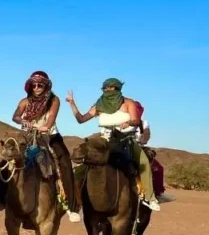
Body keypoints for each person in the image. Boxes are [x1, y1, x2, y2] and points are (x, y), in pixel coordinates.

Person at [0, 71, 81, 222]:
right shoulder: (25, 101)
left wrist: (45, 127)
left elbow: (51, 118)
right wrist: (22, 121)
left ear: (46, 85)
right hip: (28, 135)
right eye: (34, 85)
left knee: (64, 163)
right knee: (6, 160)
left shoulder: (53, 100)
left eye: (40, 85)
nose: (37, 87)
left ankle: (71, 206)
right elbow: (15, 116)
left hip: (49, 135)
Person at [66, 78, 160, 211]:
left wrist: (128, 123)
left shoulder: (128, 103)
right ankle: (74, 202)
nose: (108, 91)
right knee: (82, 164)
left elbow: (135, 119)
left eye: (112, 88)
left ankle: (150, 198)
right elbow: (81, 119)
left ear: (118, 89)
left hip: (125, 139)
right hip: (104, 140)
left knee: (143, 162)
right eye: (105, 88)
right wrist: (72, 104)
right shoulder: (99, 105)